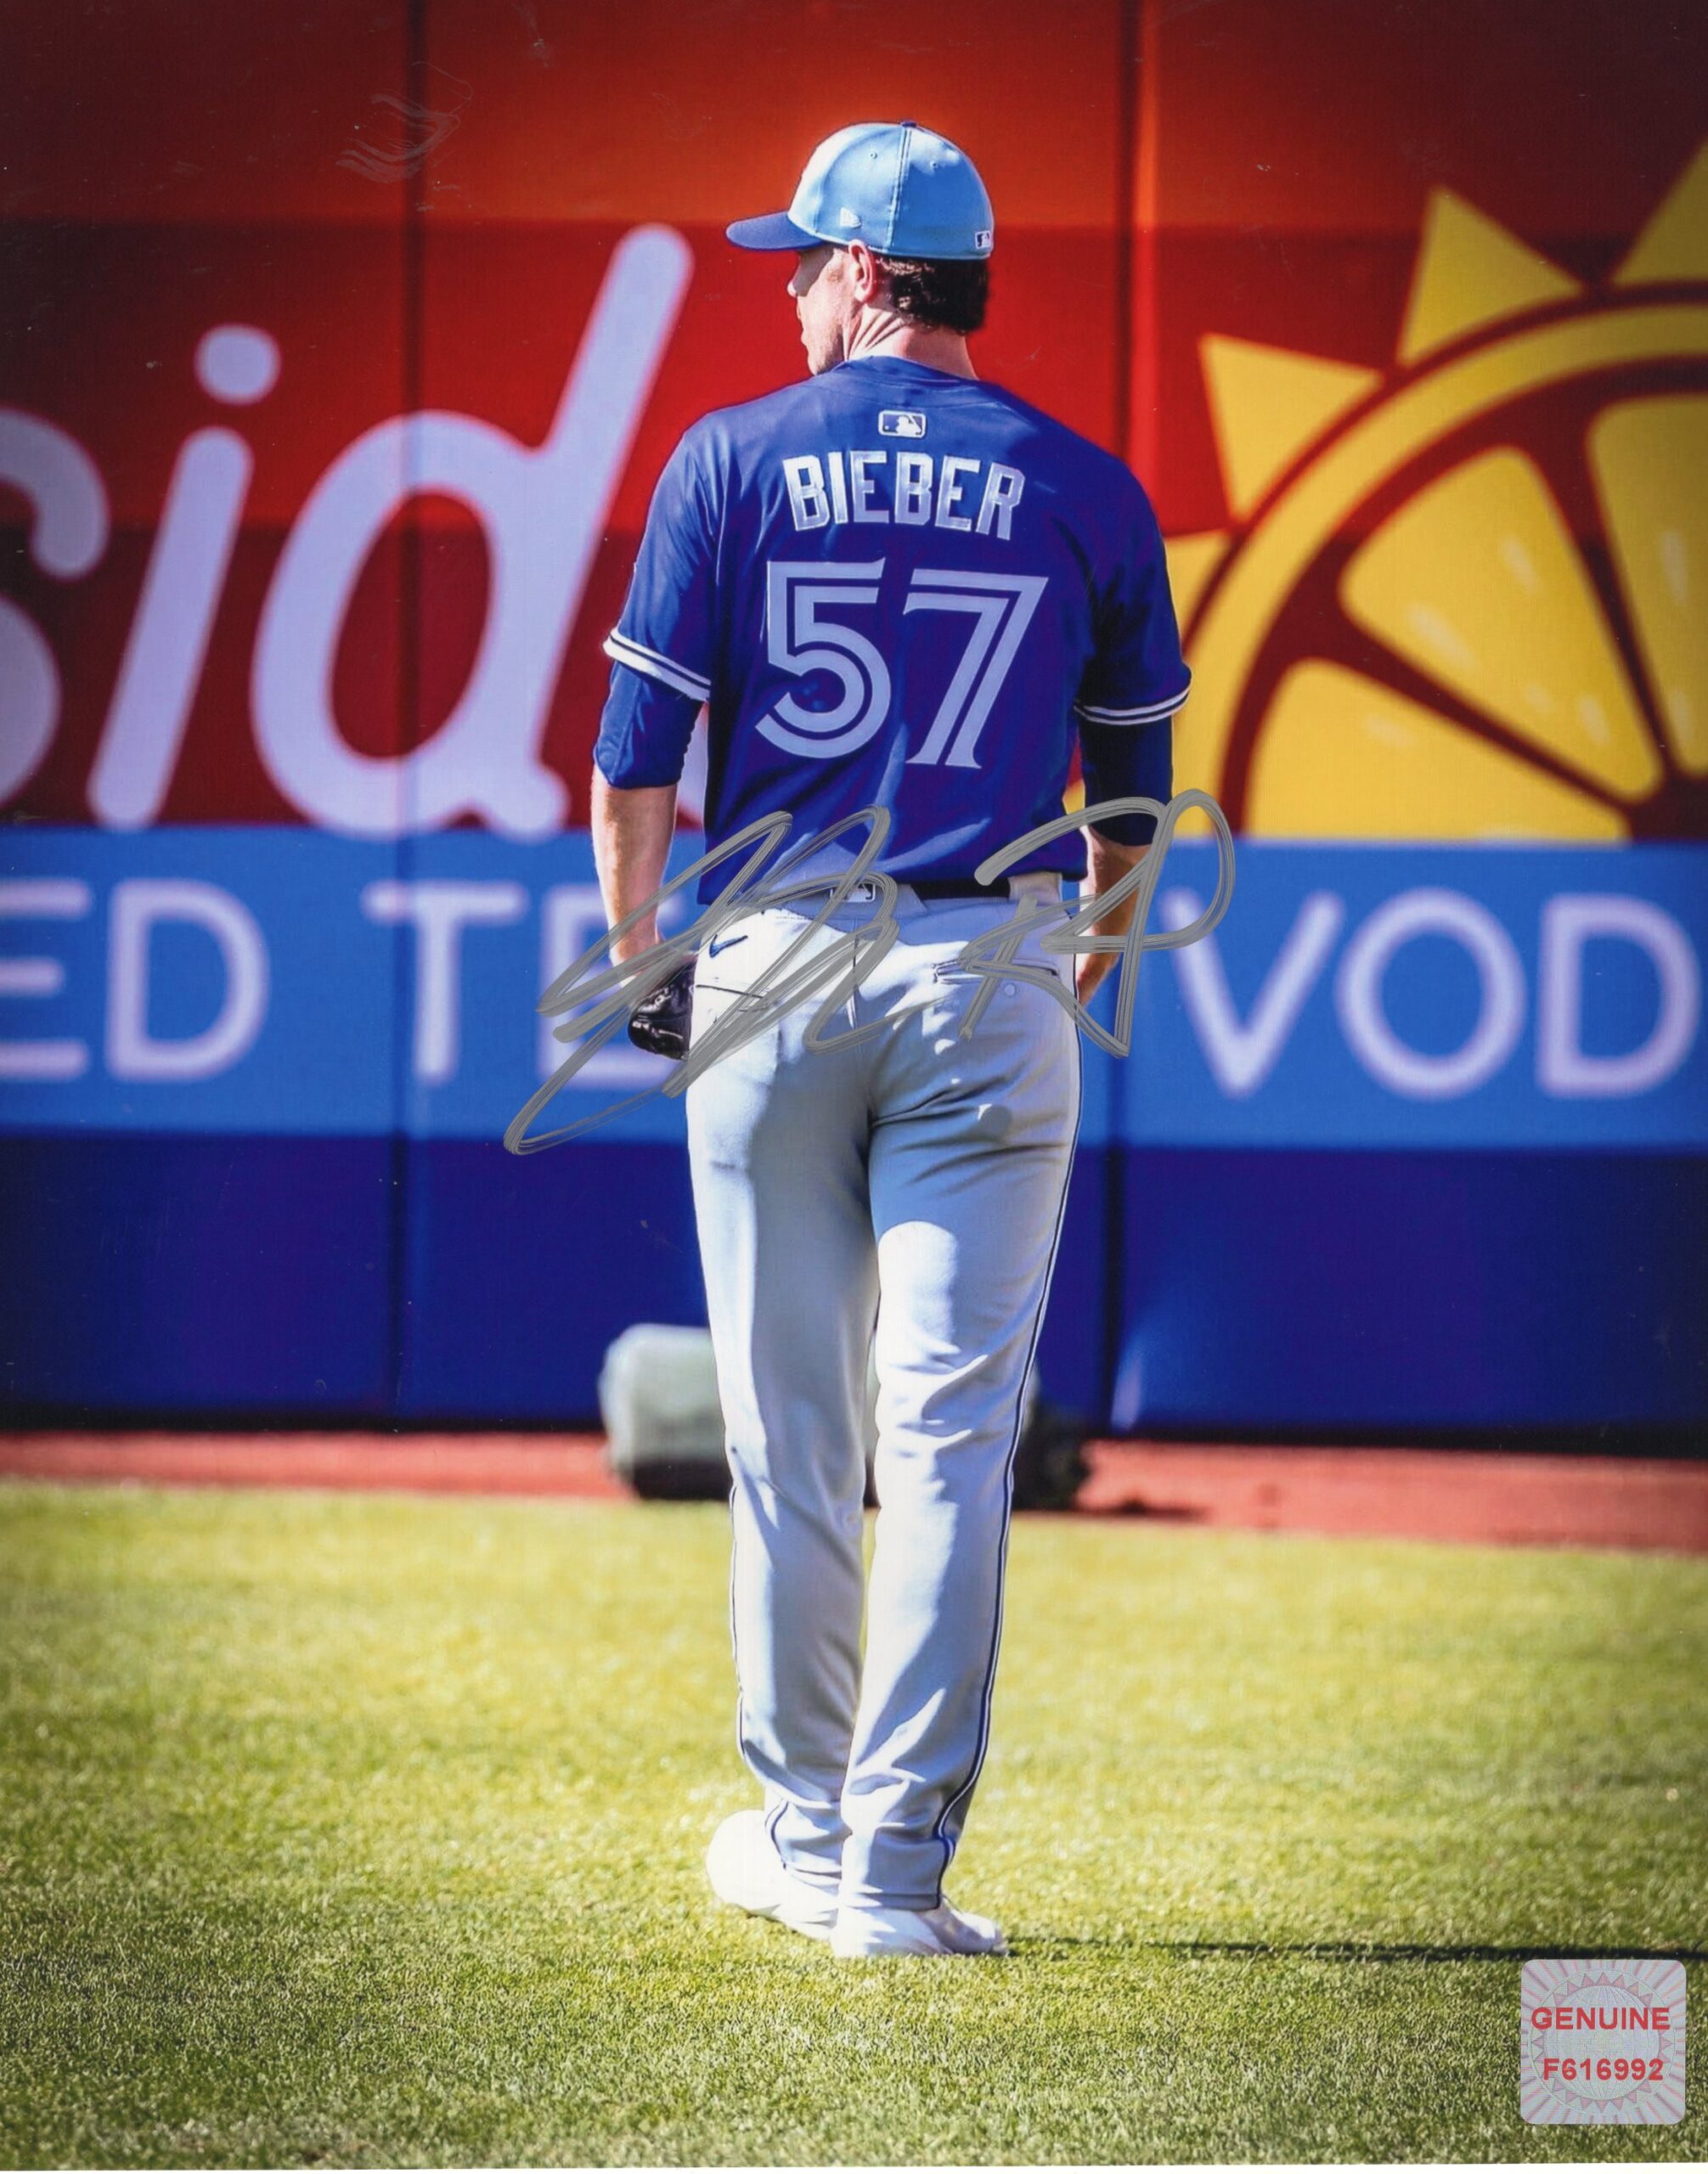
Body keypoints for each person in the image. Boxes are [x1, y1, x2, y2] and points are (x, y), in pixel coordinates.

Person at [591, 121, 1190, 1959]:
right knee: (945, 1436)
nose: (782, 288)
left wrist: (642, 969)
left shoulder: (730, 457)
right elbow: (1136, 805)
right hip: (984, 962)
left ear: (861, 273)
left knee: (791, 1435)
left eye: (798, 260)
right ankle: (892, 1879)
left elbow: (632, 772)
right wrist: (1069, 964)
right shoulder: (1089, 484)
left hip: (767, 963)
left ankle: (793, 1822)